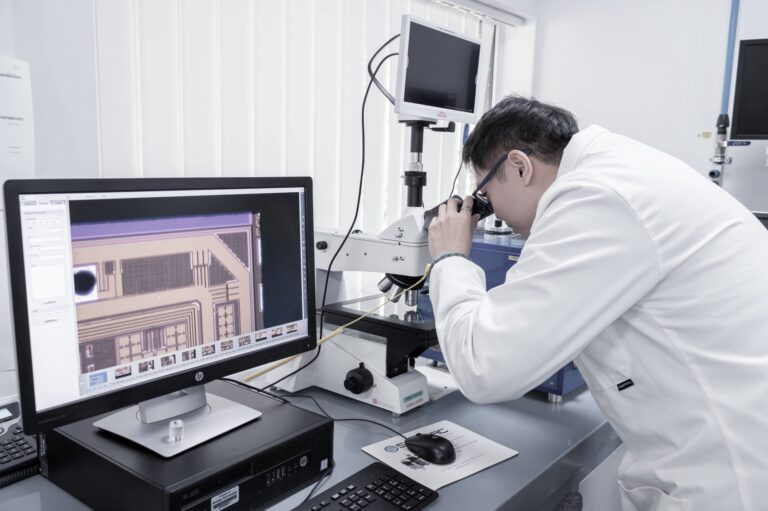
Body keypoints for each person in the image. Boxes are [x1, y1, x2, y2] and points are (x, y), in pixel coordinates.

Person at [426, 96, 768, 511]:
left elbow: (484, 368)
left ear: (519, 166)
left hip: (728, 476)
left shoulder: (596, 196)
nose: (491, 211)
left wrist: (449, 258)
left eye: (485, 195)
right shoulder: (624, 168)